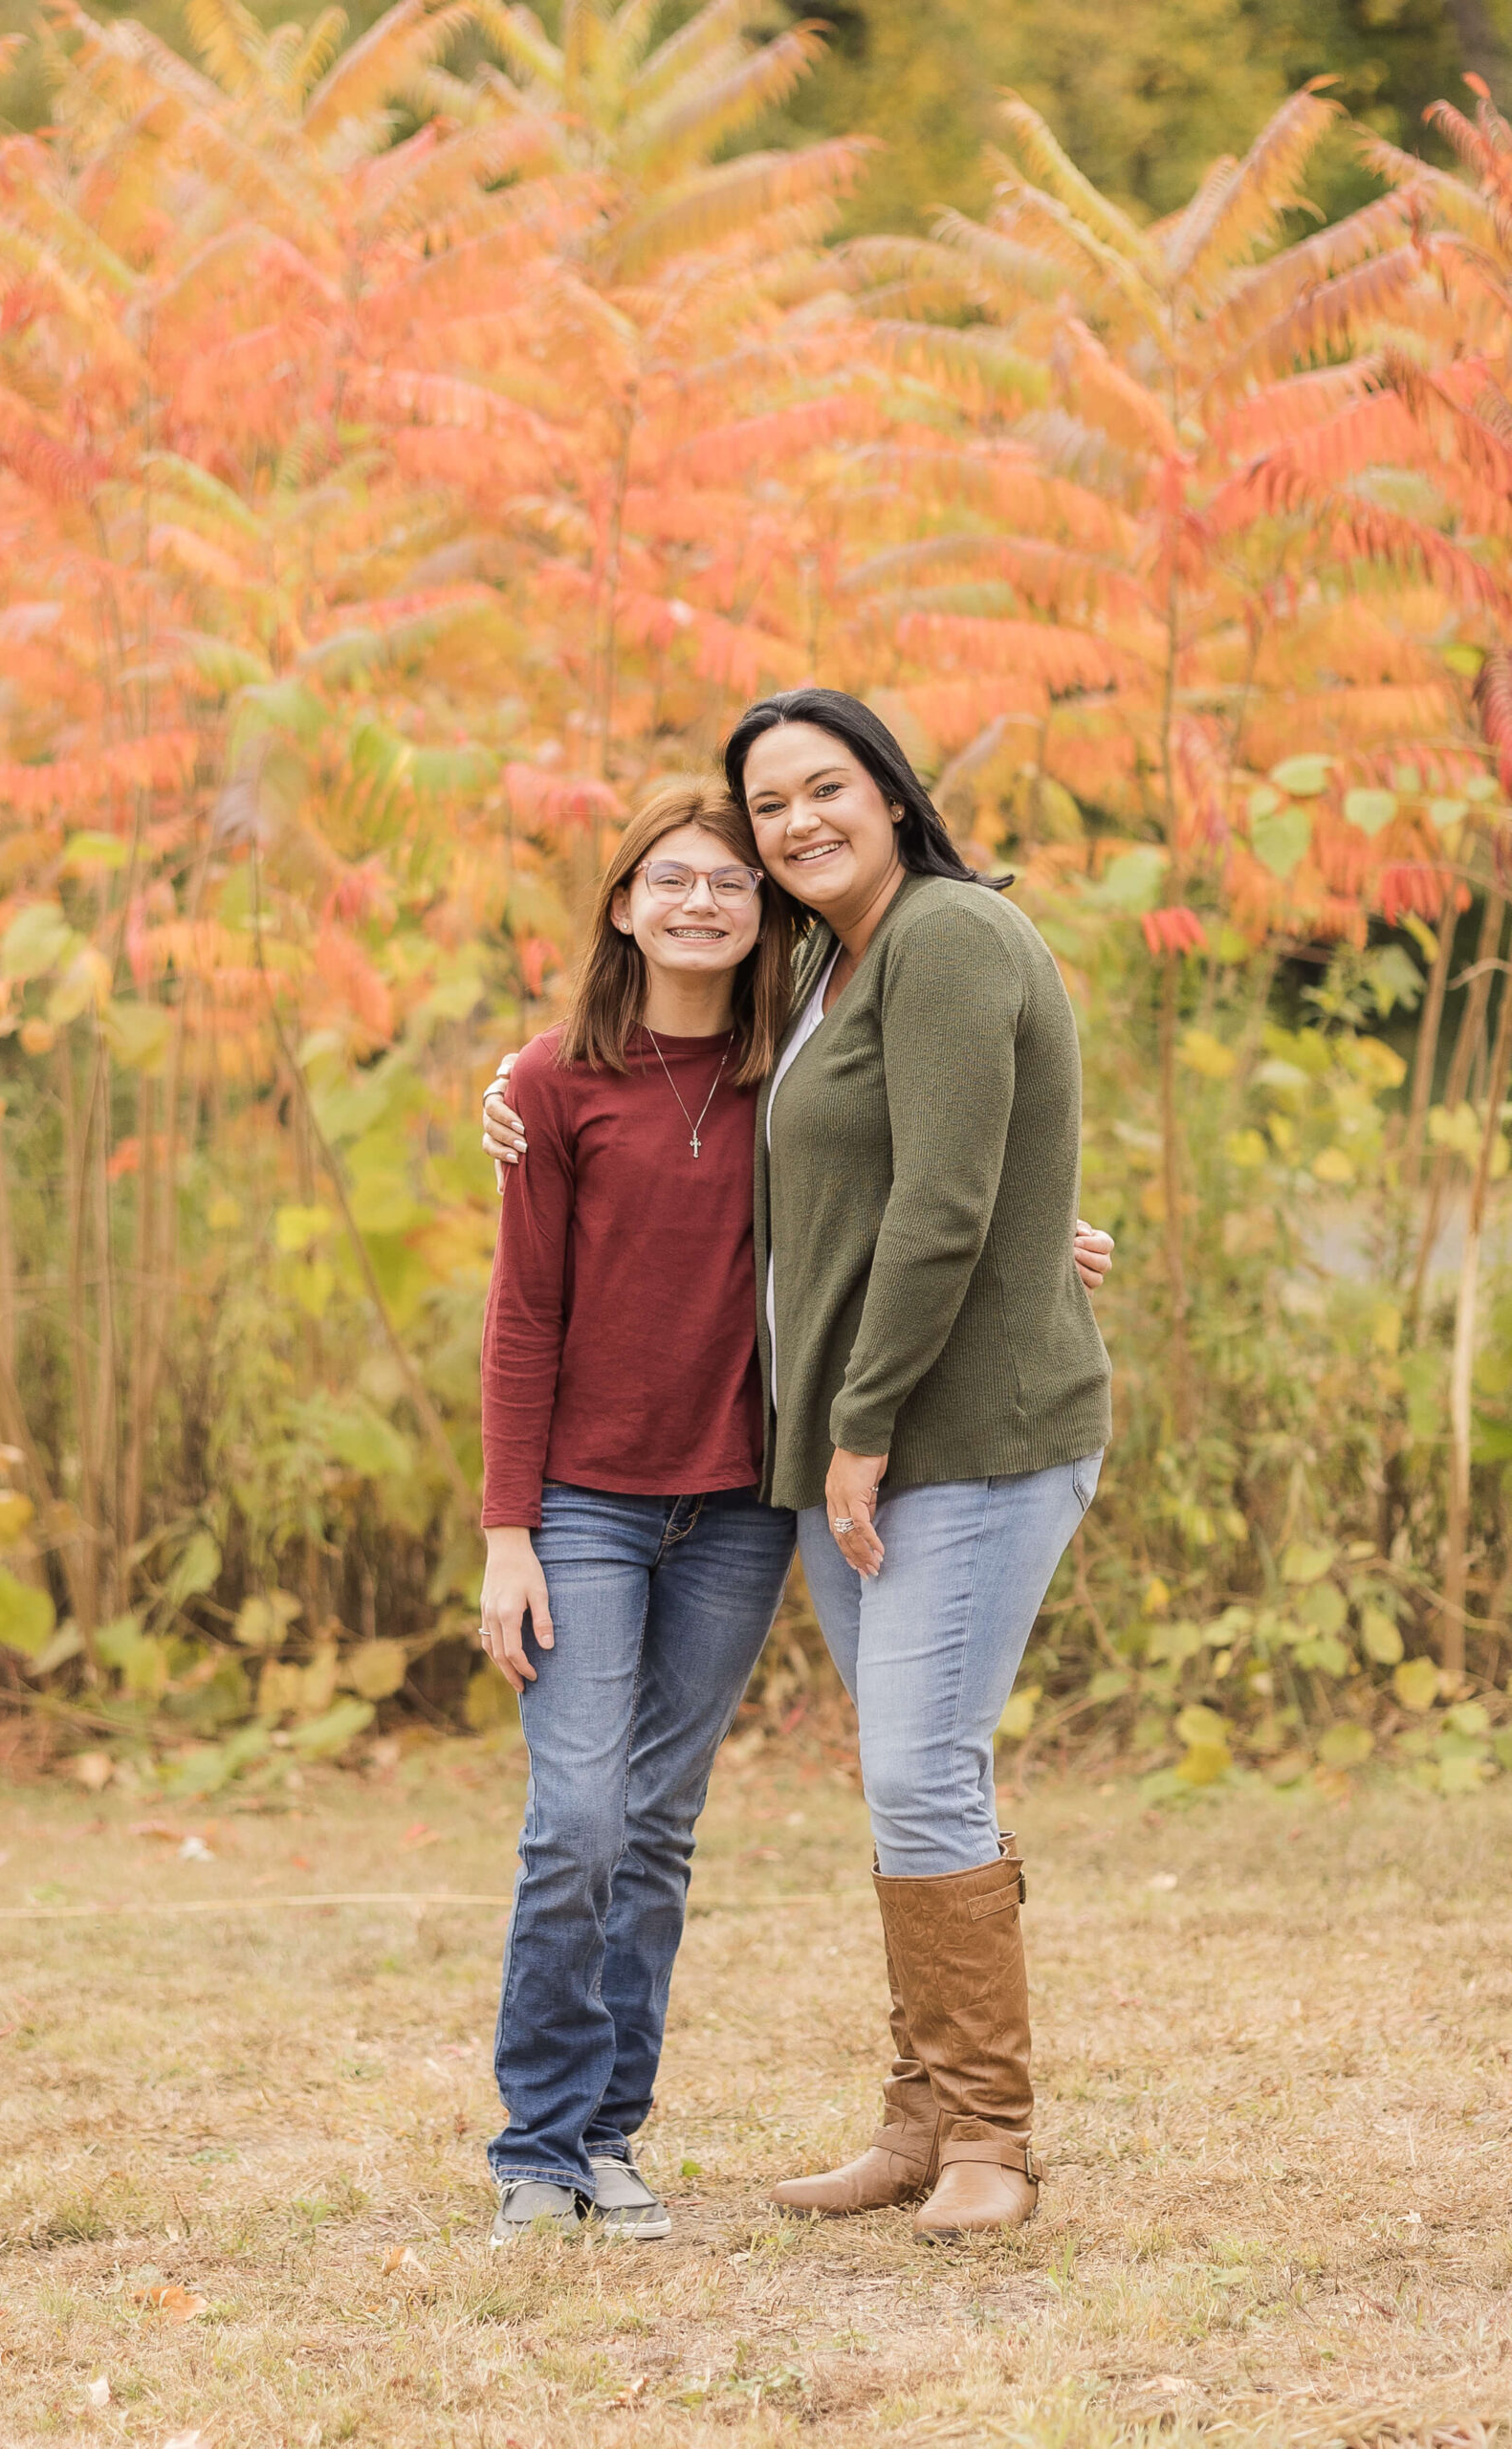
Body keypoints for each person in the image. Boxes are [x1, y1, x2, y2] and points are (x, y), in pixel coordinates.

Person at [478, 754, 1112, 2248]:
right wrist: (506, 1526)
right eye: (672, 876)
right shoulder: (561, 1077)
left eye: (735, 878)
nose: (708, 897)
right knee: (580, 1815)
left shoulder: (800, 1055)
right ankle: (542, 2142)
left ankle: (659, 2138)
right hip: (592, 1498)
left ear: (773, 911)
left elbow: (924, 1172)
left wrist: (1043, 1232)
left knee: (682, 1815)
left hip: (752, 1499)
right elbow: (524, 1310)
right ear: (621, 906)